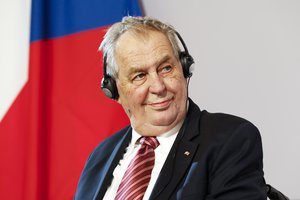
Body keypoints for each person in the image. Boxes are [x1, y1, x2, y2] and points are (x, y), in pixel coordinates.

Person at [74, 16, 267, 200]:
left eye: (166, 68)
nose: (158, 87)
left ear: (184, 68)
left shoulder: (230, 138)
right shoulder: (101, 155)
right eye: (139, 76)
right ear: (114, 90)